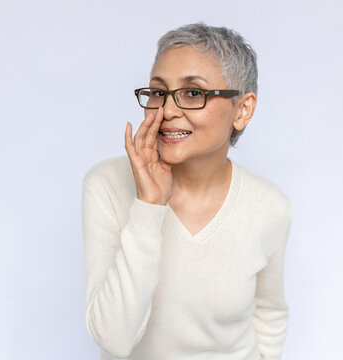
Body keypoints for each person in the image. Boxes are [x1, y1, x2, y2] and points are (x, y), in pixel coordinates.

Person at [82, 22, 292, 360]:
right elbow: (115, 339)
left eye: (193, 92)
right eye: (158, 92)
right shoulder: (106, 185)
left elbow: (269, 314)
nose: (166, 110)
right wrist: (149, 205)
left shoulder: (270, 206)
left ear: (243, 109)